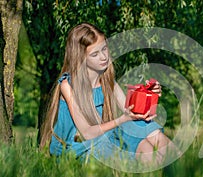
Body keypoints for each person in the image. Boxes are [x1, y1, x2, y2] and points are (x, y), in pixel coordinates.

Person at [39, 22, 179, 164]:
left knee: (141, 126)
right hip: (75, 147)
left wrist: (149, 94)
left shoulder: (107, 81)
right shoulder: (68, 86)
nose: (103, 57)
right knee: (125, 136)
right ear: (80, 58)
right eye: (95, 54)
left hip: (101, 138)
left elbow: (130, 112)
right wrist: (122, 120)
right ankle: (155, 170)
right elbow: (87, 133)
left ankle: (178, 169)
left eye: (104, 49)